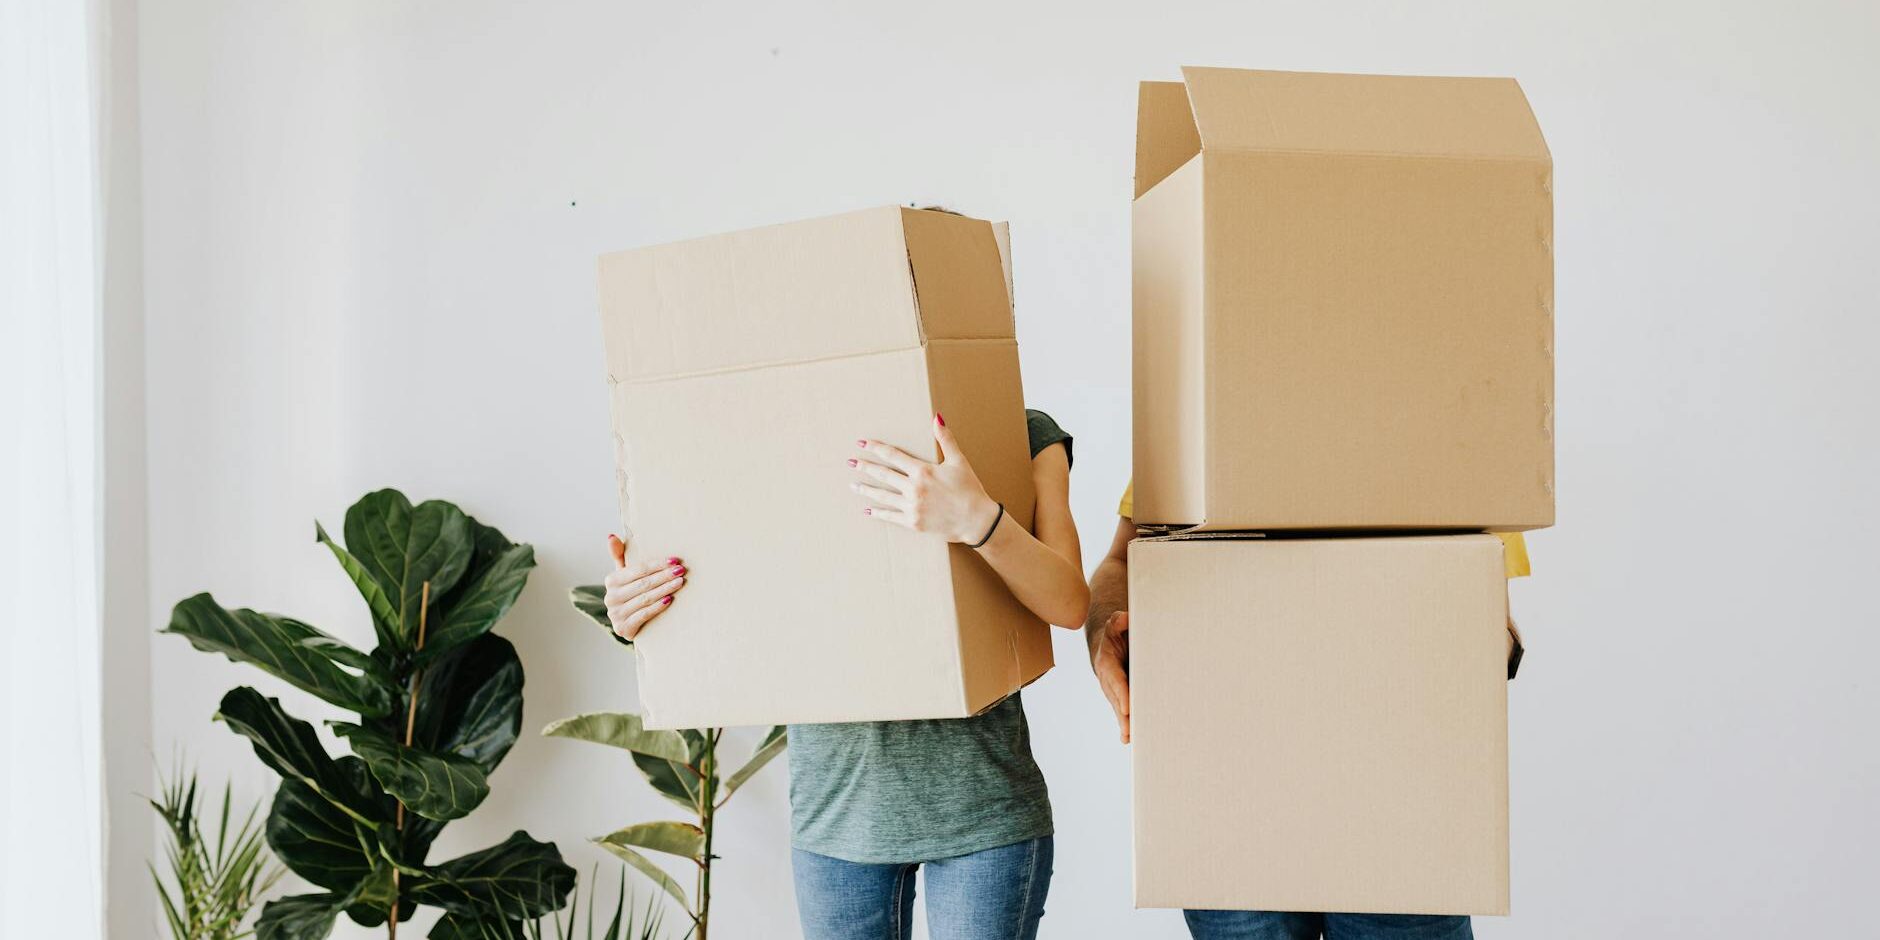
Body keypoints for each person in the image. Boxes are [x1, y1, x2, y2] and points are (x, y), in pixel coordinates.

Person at [601, 410, 1087, 940]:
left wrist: (978, 522)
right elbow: (729, 580)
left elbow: (1069, 603)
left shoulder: (1021, 430)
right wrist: (643, 609)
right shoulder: (767, 427)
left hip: (984, 815)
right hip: (835, 819)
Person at [1086, 481, 1530, 940]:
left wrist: (1480, 651)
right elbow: (1124, 559)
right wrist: (1104, 632)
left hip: (1399, 805)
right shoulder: (1200, 417)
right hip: (1229, 799)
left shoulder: (1445, 431)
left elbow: (1485, 584)